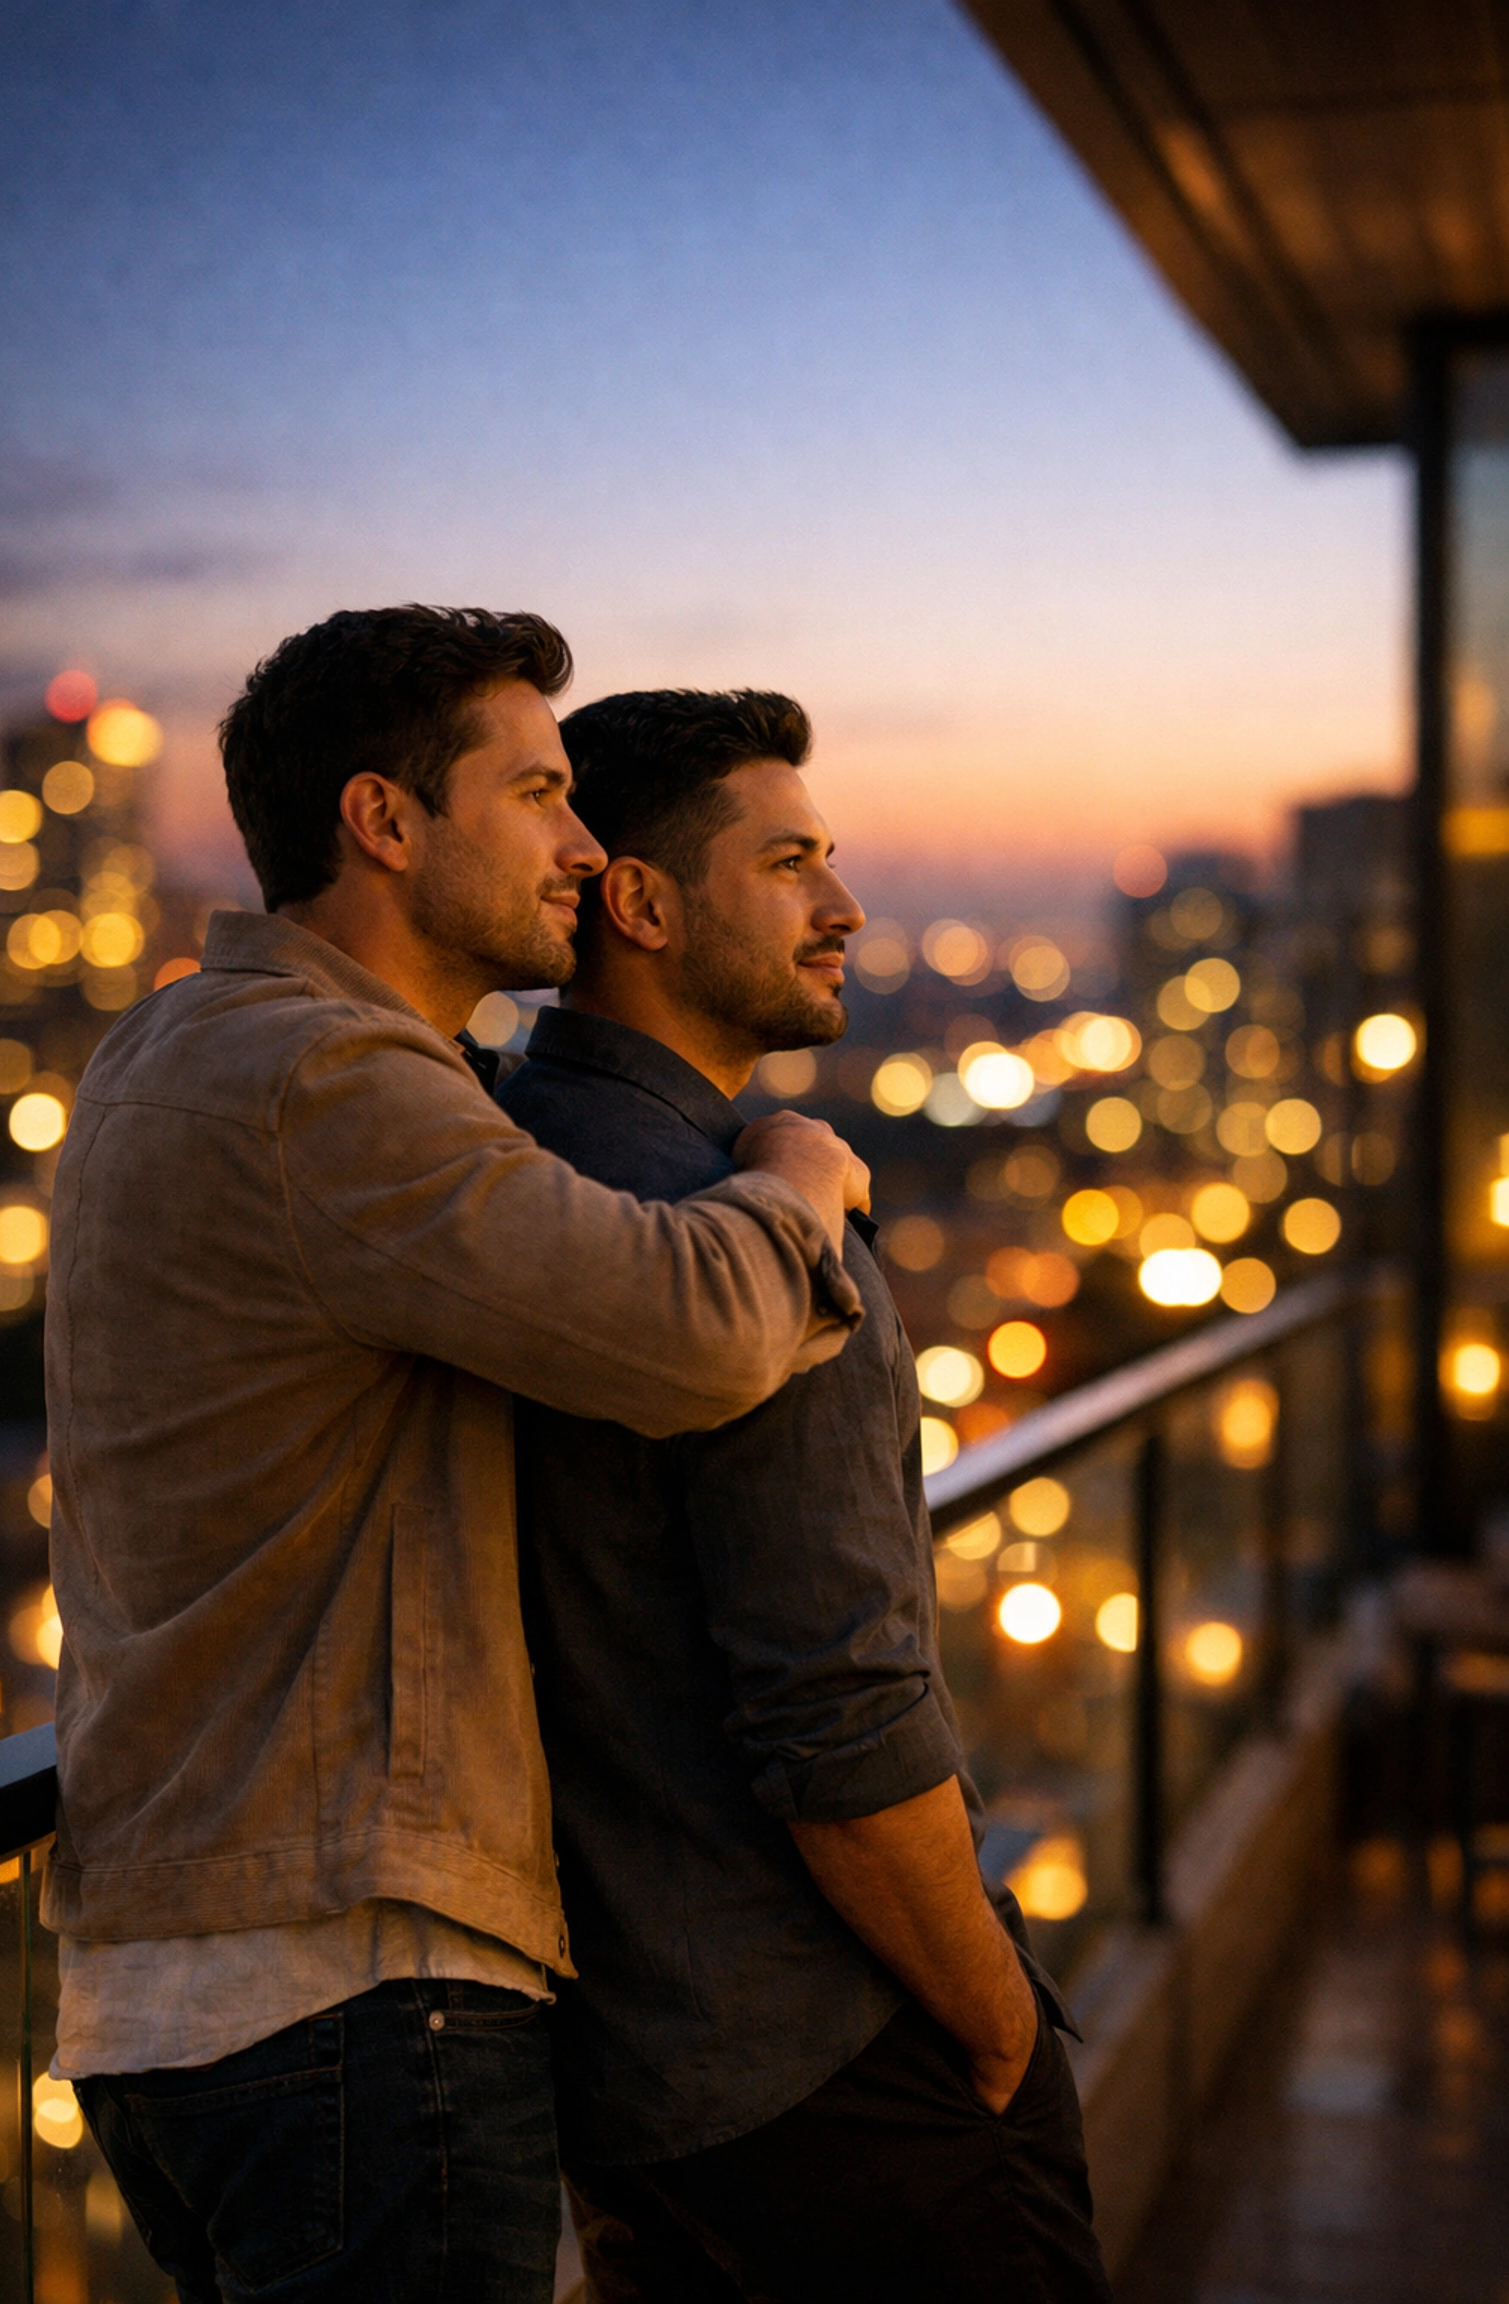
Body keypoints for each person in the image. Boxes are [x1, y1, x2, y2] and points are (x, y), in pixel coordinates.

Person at [44, 610, 870, 2304]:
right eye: (539, 793)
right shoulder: (325, 1079)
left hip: (181, 1985)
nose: (581, 846)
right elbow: (692, 1333)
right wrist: (793, 1175)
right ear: (386, 822)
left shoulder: (168, 1048)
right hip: (350, 1990)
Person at [495, 688, 1110, 2304]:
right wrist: (996, 2024)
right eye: (790, 863)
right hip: (827, 2065)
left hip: (611, 2077)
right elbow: (840, 1719)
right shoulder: (744, 1232)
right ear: (638, 901)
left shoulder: (482, 1171)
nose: (843, 907)